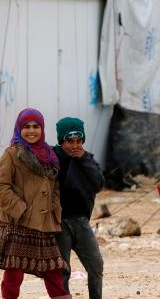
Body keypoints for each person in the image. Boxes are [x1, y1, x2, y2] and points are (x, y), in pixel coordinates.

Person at [0, 108, 71, 299]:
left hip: (44, 223)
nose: (31, 131)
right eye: (26, 126)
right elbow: (0, 187)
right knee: (14, 273)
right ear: (19, 129)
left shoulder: (49, 156)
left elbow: (55, 187)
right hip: (18, 222)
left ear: (42, 129)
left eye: (36, 126)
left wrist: (54, 210)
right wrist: (21, 210)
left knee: (52, 270)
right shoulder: (12, 154)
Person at [53, 117, 105, 299]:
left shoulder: (86, 159)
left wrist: (84, 160)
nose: (74, 146)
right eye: (69, 141)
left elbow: (98, 183)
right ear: (61, 141)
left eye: (78, 141)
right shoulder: (52, 158)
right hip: (59, 223)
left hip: (81, 221)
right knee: (62, 270)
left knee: (96, 265)